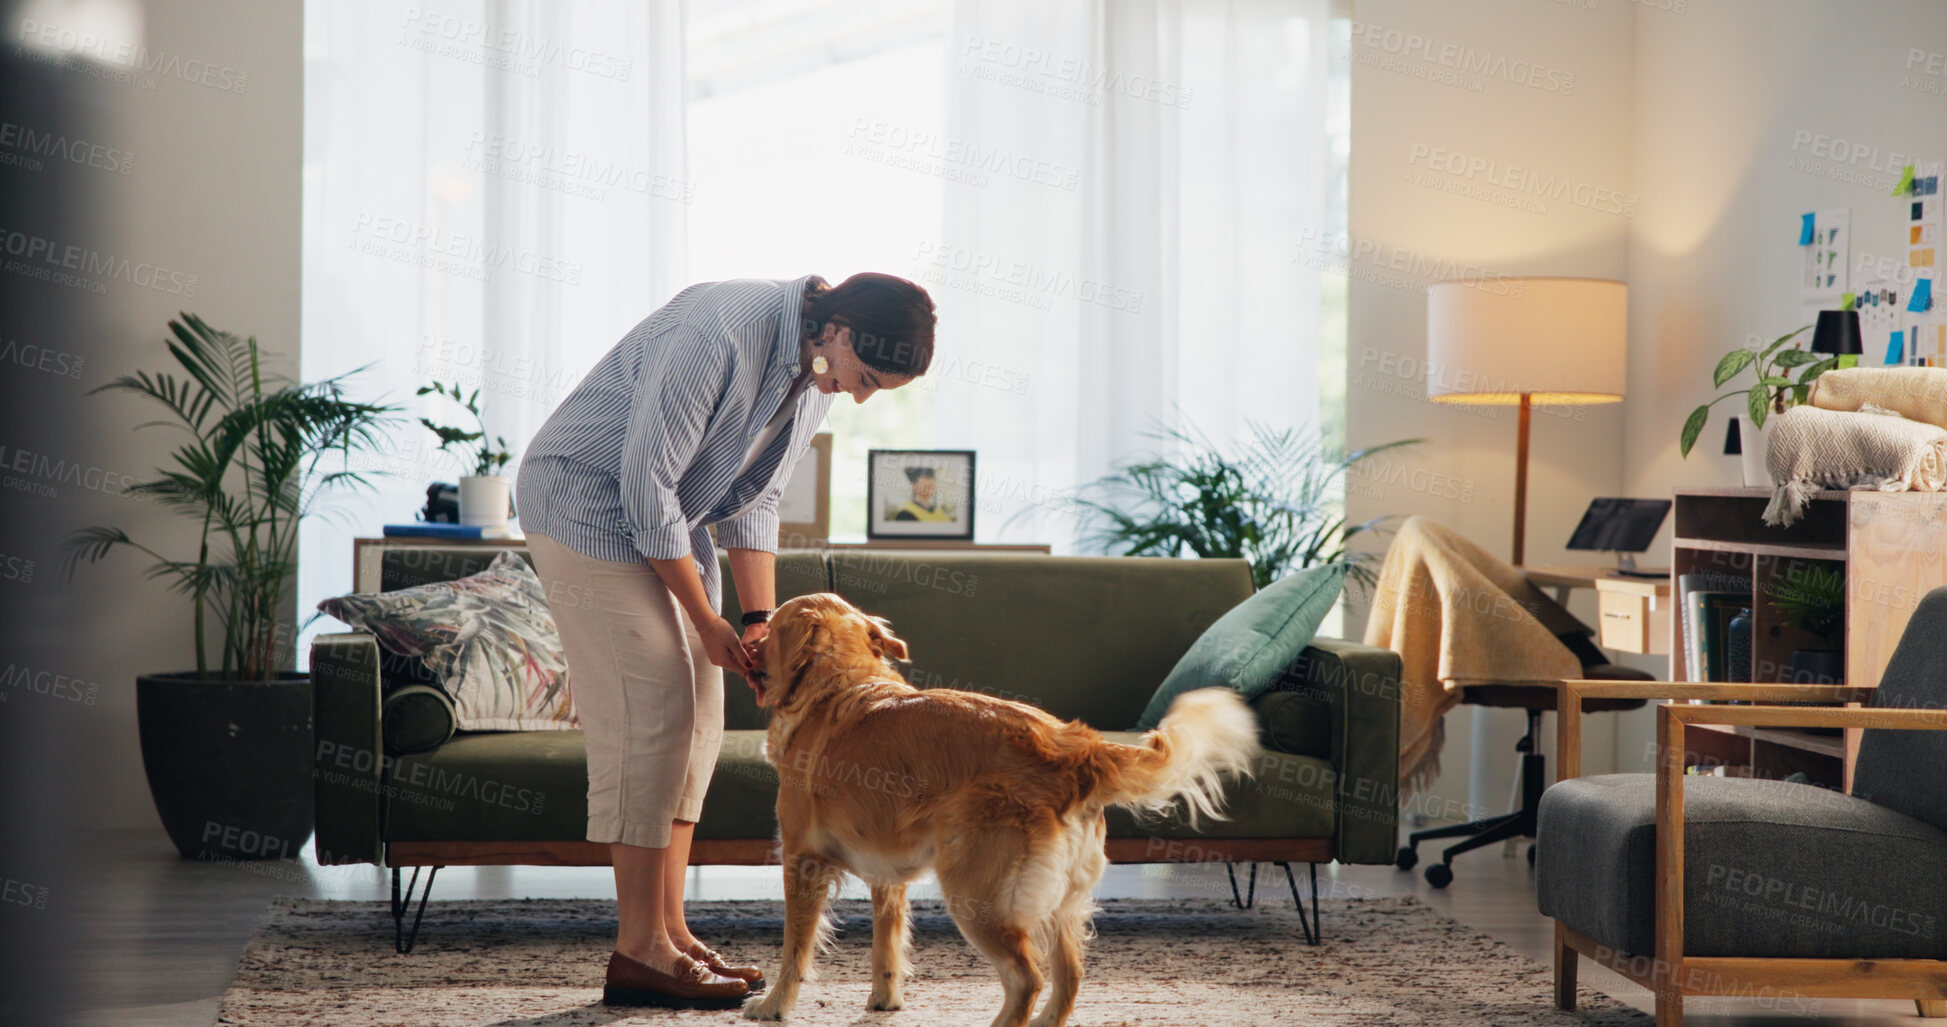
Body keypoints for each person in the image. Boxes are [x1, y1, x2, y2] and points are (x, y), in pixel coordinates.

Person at [516, 273, 935, 1008]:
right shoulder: (718, 332)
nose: (858, 396)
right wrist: (705, 619)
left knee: (701, 718)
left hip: (669, 522)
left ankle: (669, 935)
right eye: (864, 378)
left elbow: (757, 501)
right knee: (651, 709)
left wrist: (752, 623)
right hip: (585, 500)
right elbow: (644, 482)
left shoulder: (810, 377)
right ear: (837, 329)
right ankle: (638, 947)